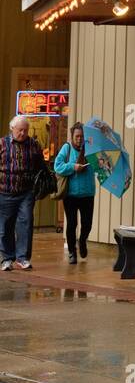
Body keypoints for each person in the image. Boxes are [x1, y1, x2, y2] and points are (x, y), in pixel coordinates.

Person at [0, 115, 45, 270]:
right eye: (20, 130)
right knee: (5, 226)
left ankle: (22, 257)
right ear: (12, 128)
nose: (23, 133)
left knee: (25, 223)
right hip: (5, 191)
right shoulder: (2, 143)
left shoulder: (33, 144)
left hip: (26, 192)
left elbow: (41, 166)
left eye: (26, 130)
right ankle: (7, 258)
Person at [54, 122, 95, 265]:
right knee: (71, 224)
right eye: (77, 136)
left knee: (87, 224)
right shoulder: (67, 148)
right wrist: (73, 167)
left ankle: (82, 240)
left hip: (87, 194)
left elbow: (98, 168)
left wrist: (98, 164)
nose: (79, 139)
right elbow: (57, 166)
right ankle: (72, 252)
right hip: (70, 195)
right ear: (72, 136)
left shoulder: (91, 149)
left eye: (82, 136)